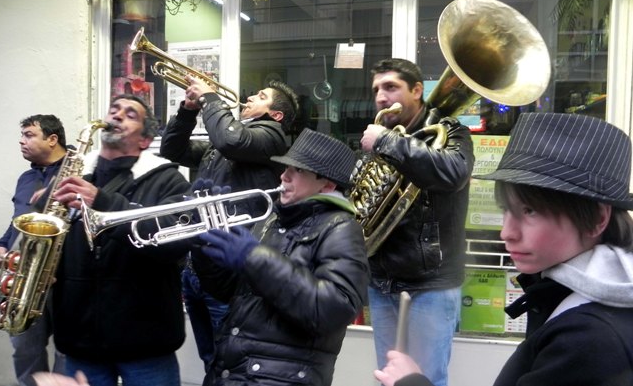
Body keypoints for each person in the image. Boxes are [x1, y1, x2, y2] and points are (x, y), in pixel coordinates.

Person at [374, 113, 633, 386]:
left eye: (530, 211)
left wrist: (410, 381)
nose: (507, 233)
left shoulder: (589, 341)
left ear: (597, 219)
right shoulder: (579, 299)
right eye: (506, 210)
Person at [191, 128, 370, 386]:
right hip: (232, 372)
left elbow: (334, 308)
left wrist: (254, 257)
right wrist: (203, 242)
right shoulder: (273, 221)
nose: (284, 176)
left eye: (298, 171)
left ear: (327, 184)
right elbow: (227, 291)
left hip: (279, 377)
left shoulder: (341, 227)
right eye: (286, 168)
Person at [159, 75, 299, 385]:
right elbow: (172, 149)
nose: (249, 98)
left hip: (227, 274)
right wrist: (187, 109)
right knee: (210, 359)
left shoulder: (271, 138)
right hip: (198, 266)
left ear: (275, 115)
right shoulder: (231, 140)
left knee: (229, 364)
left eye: (260, 95)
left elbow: (230, 140)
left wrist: (210, 98)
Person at [48, 94, 191, 386]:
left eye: (130, 114)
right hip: (80, 342)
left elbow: (175, 242)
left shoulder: (168, 180)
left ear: (145, 139)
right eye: (114, 110)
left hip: (147, 345)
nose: (117, 116)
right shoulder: (73, 176)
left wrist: (101, 201)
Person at [359, 58, 474, 386]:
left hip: (430, 282)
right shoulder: (382, 134)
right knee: (390, 374)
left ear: (417, 90)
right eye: (377, 90)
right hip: (382, 279)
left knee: (426, 378)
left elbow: (454, 173)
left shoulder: (451, 131)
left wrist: (385, 142)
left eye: (391, 87)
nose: (381, 97)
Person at [0, 115, 68, 386]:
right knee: (24, 351)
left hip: (64, 279)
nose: (21, 141)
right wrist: (0, 246)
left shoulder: (80, 172)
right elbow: (18, 224)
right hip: (24, 278)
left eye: (28, 134)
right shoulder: (26, 177)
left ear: (52, 139)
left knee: (67, 352)